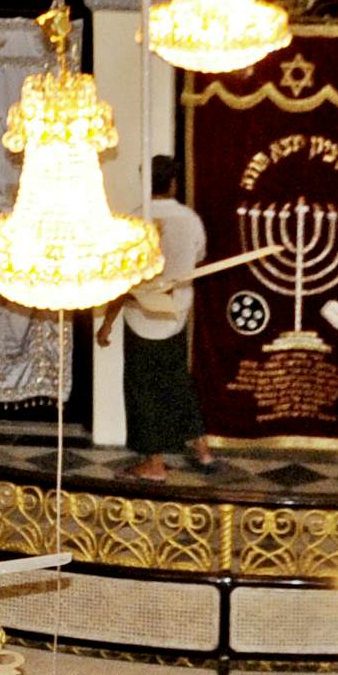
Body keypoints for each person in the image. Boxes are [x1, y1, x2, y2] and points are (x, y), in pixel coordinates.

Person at [120, 153, 208, 479]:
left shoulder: (133, 220)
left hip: (140, 314)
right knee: (177, 379)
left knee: (142, 387)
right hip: (175, 314)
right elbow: (199, 256)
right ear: (173, 183)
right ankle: (203, 449)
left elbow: (123, 274)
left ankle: (154, 463)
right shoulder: (190, 219)